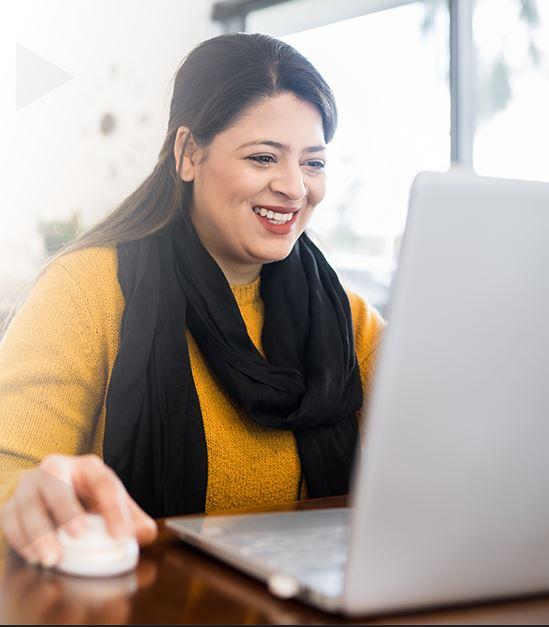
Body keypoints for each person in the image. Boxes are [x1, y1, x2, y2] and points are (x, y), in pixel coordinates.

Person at [0, 33, 384, 569]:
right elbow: (9, 476)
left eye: (313, 163)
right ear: (187, 153)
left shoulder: (346, 318)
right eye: (263, 157)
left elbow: (447, 451)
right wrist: (32, 497)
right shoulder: (84, 290)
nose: (295, 188)